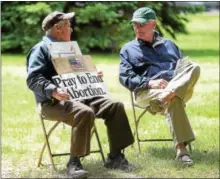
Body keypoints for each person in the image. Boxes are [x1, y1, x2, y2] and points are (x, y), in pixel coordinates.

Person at [26, 11, 134, 178]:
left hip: (81, 97)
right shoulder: (40, 49)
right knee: (84, 111)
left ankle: (115, 157)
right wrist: (53, 90)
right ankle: (74, 162)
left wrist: (92, 76)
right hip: (52, 103)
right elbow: (33, 79)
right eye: (69, 26)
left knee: (115, 106)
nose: (72, 29)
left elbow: (78, 73)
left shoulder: (69, 48)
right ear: (58, 29)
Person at [119, 7, 200, 166]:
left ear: (153, 25)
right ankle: (181, 151)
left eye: (141, 25)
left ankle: (168, 94)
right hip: (148, 92)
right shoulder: (128, 49)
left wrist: (171, 86)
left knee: (194, 67)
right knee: (174, 99)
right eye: (134, 25)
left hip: (173, 87)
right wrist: (149, 82)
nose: (137, 28)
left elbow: (184, 69)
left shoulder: (170, 45)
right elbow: (125, 77)